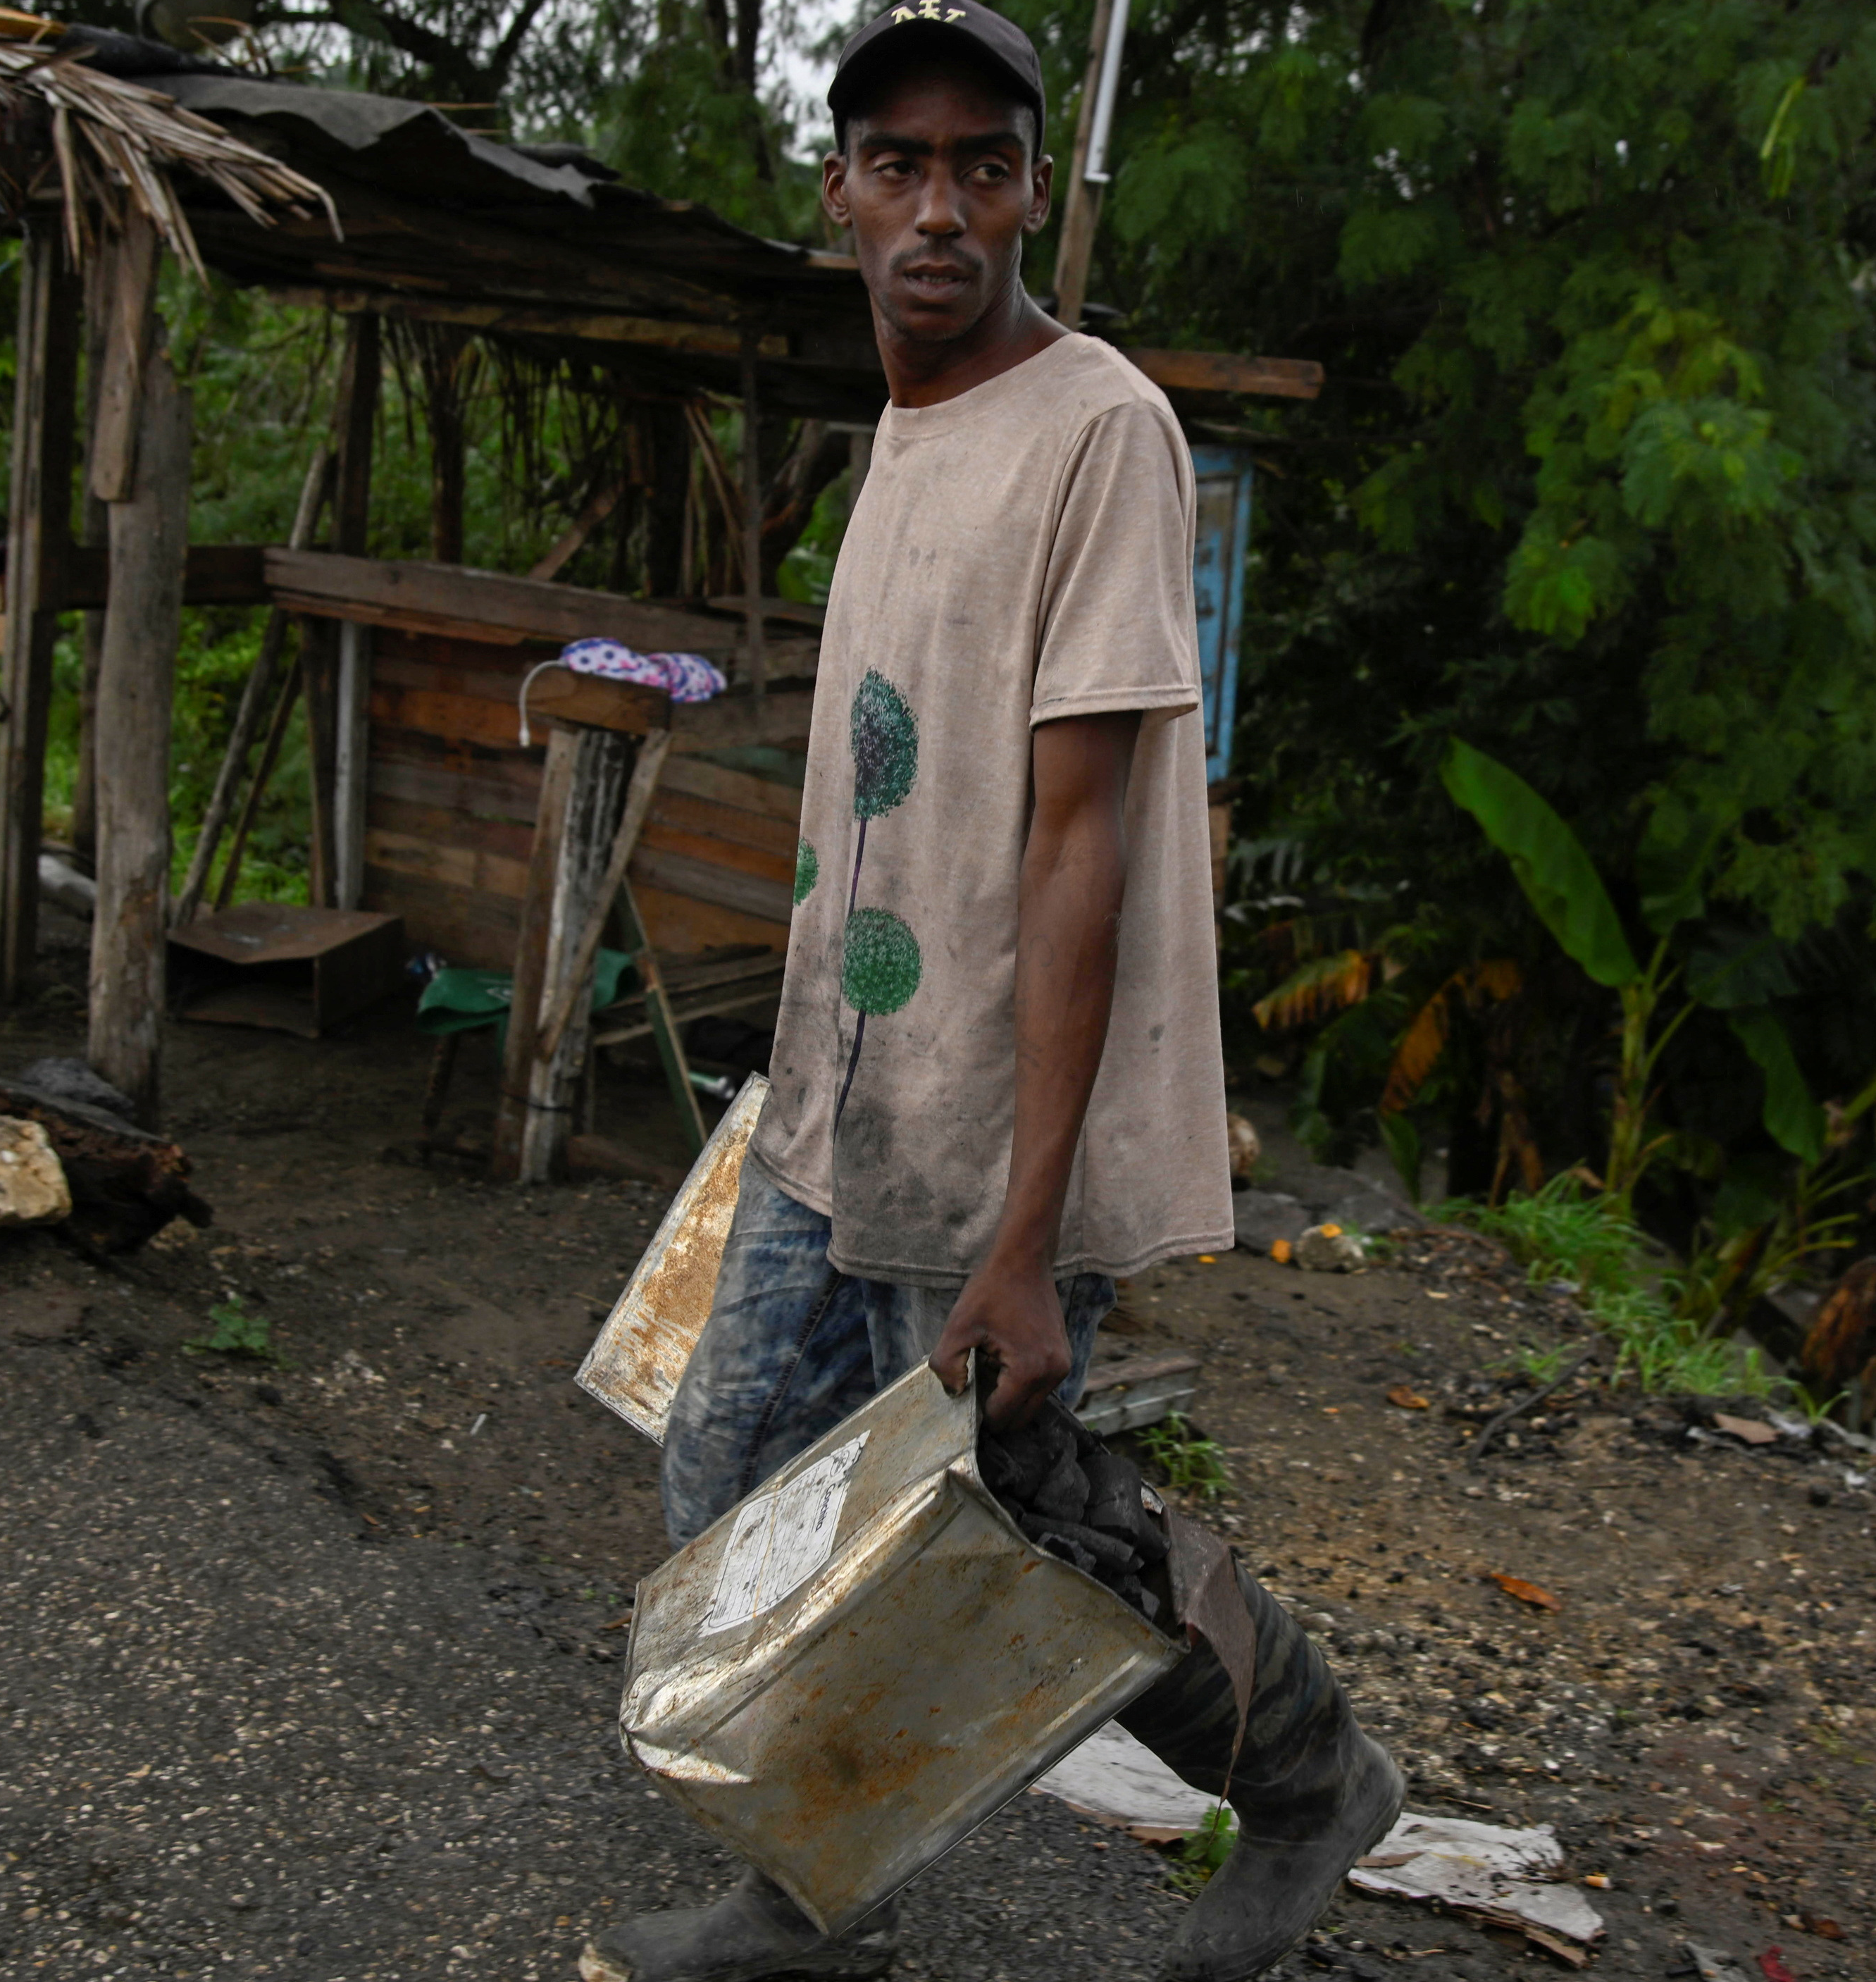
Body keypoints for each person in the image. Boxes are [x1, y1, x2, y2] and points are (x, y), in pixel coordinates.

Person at [585, 11, 1400, 1981]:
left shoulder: (1102, 428)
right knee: (731, 1477)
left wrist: (1030, 1237)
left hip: (992, 1133)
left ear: (1038, 188)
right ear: (842, 190)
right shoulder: (907, 416)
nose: (940, 207)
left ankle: (1311, 1788)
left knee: (1018, 1528)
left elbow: (1079, 837)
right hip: (835, 1098)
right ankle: (807, 1883)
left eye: (983, 165)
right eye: (899, 163)